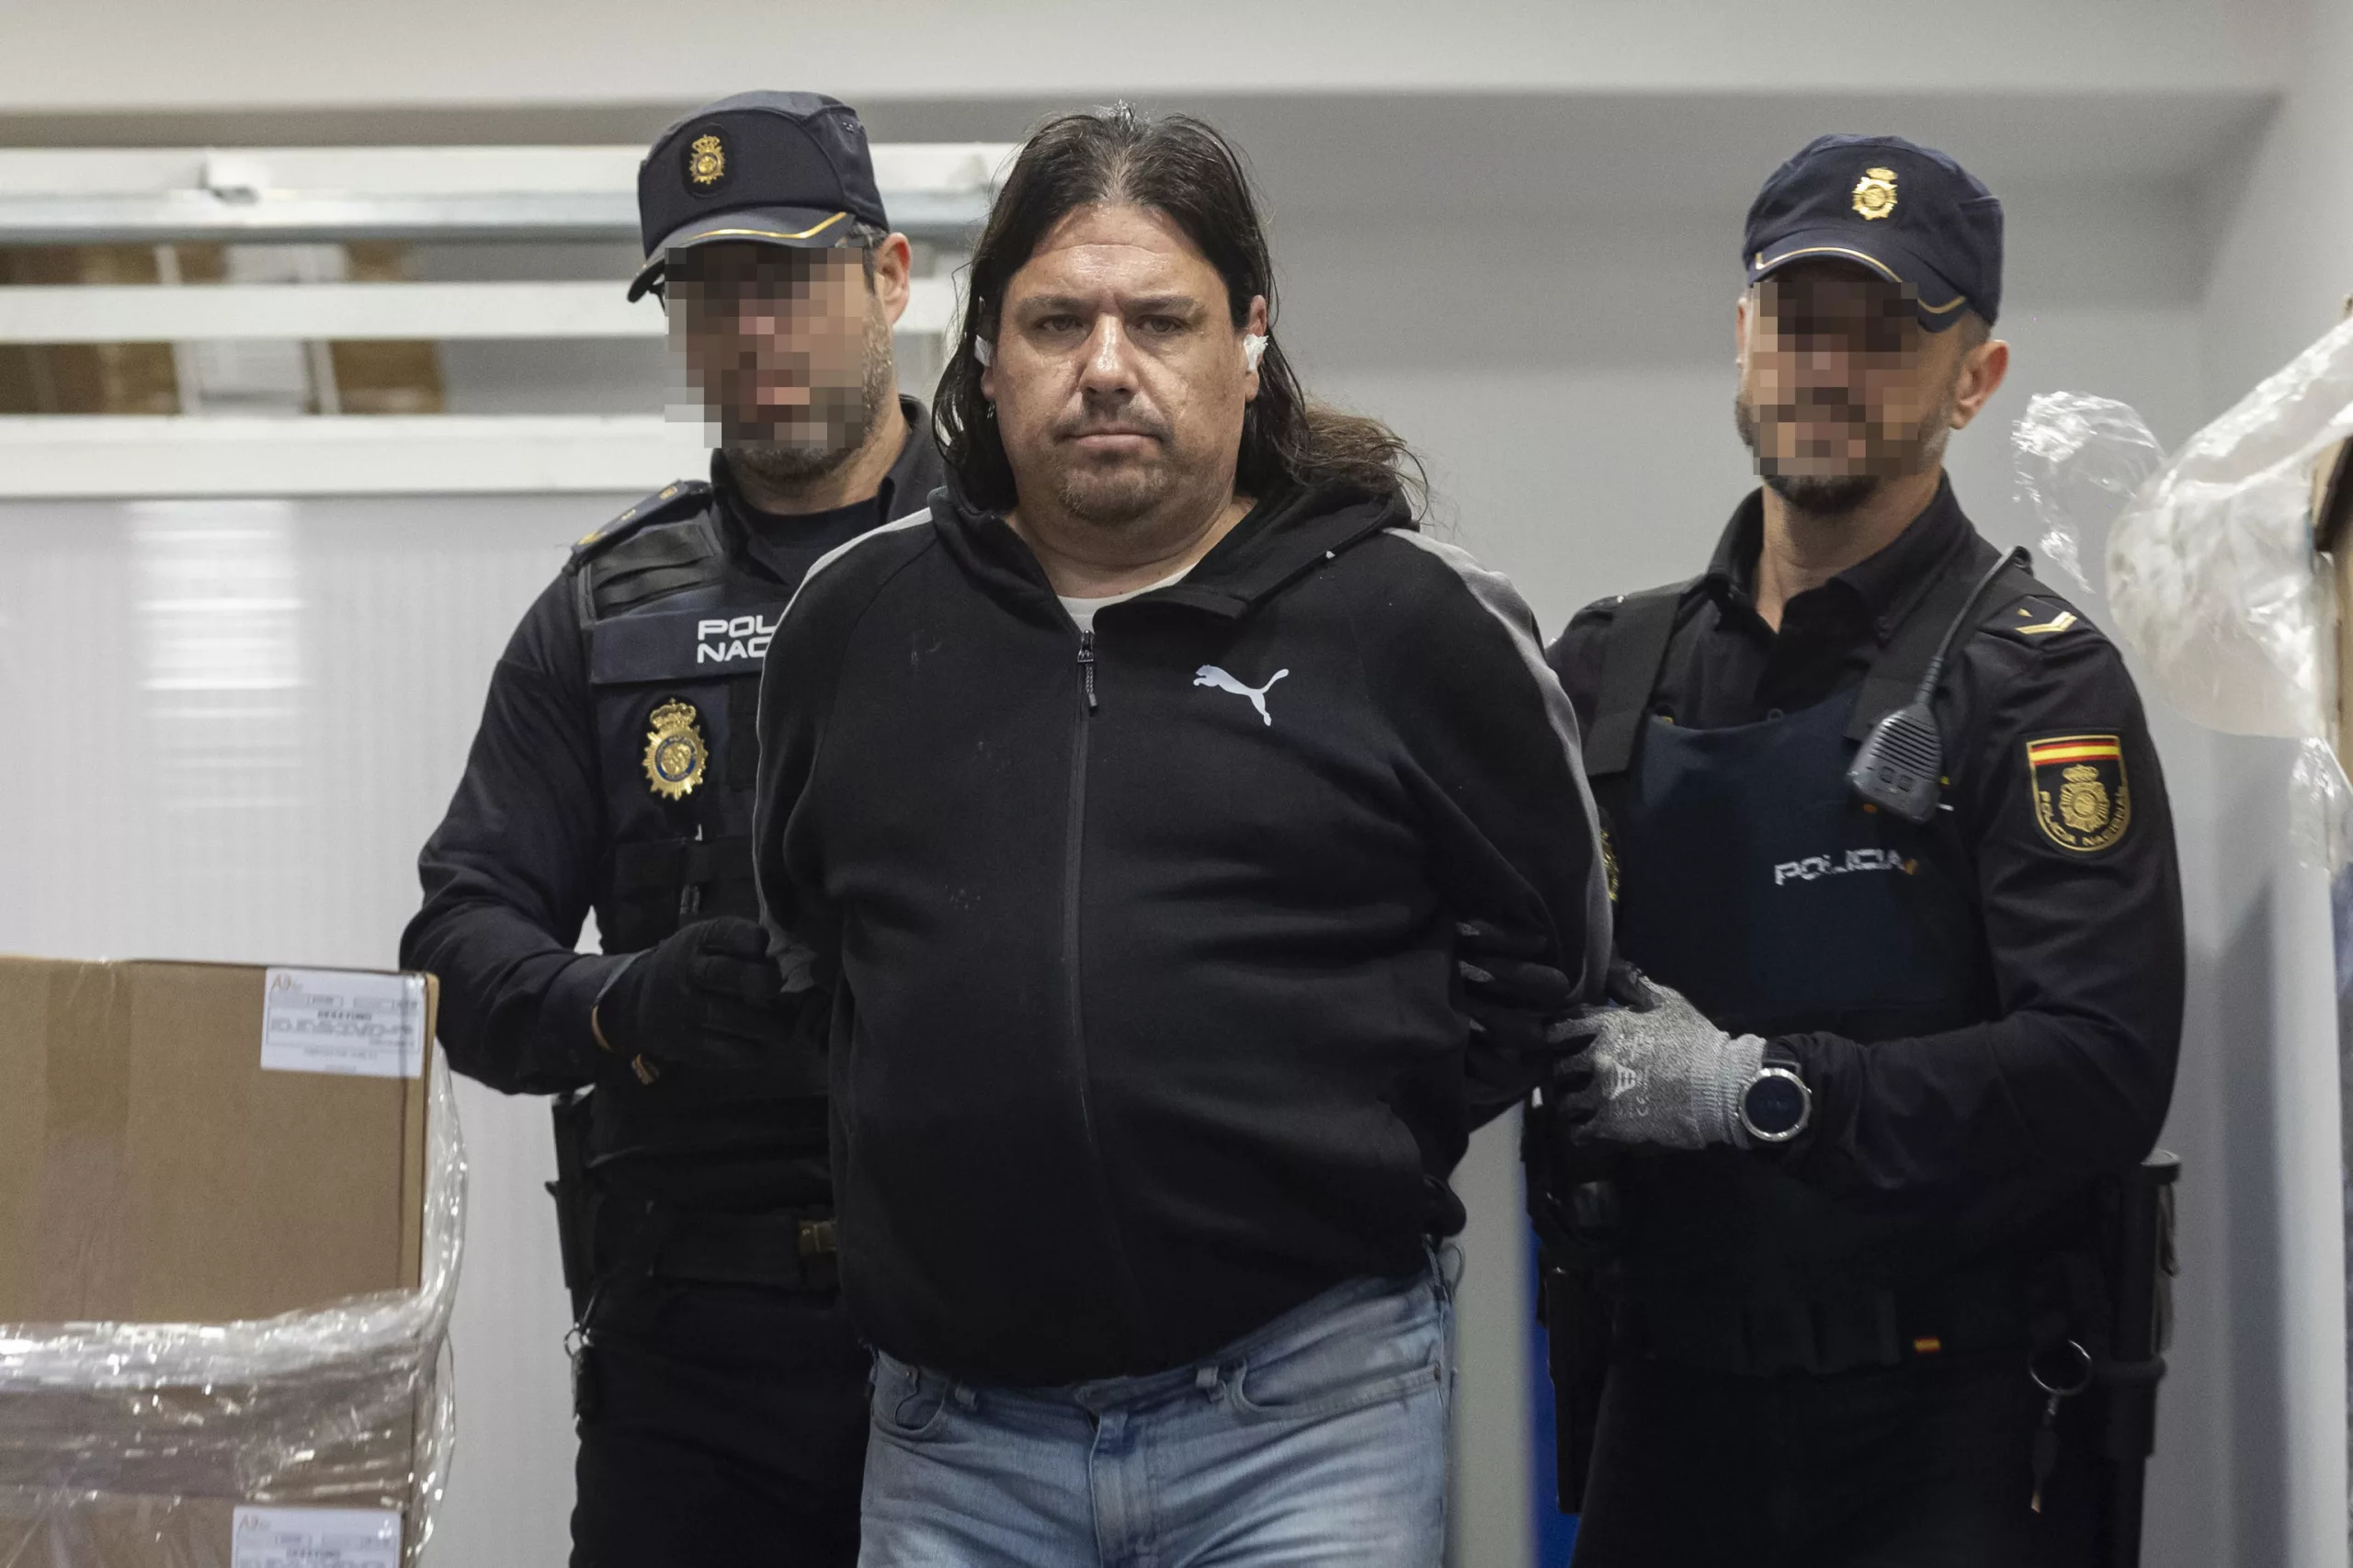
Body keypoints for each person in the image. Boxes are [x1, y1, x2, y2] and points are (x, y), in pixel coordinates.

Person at [749, 105, 1608, 1567]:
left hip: (1307, 1417)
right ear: (986, 350)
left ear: (1249, 338)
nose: (1106, 366)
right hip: (959, 1443)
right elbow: (810, 957)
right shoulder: (855, 623)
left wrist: (1343, 1125)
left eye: (1161, 320)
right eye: (1056, 322)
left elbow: (1553, 952)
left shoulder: (1408, 618)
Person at [1529, 134, 2186, 1567]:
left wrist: (1760, 1091)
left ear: (1975, 379)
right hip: (1668, 1416)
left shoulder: (2035, 682)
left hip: (1953, 1427)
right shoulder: (1610, 668)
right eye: (1799, 318)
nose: (1829, 366)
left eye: (1887, 332)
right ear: (1743, 333)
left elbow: (2099, 1071)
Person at [400, 90, 942, 1568]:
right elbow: (455, 946)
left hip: (993, 1345)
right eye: (706, 295)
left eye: (787, 278)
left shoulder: (1017, 563)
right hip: (697, 1369)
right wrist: (622, 1002)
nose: (749, 330)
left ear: (890, 276)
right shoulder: (605, 614)